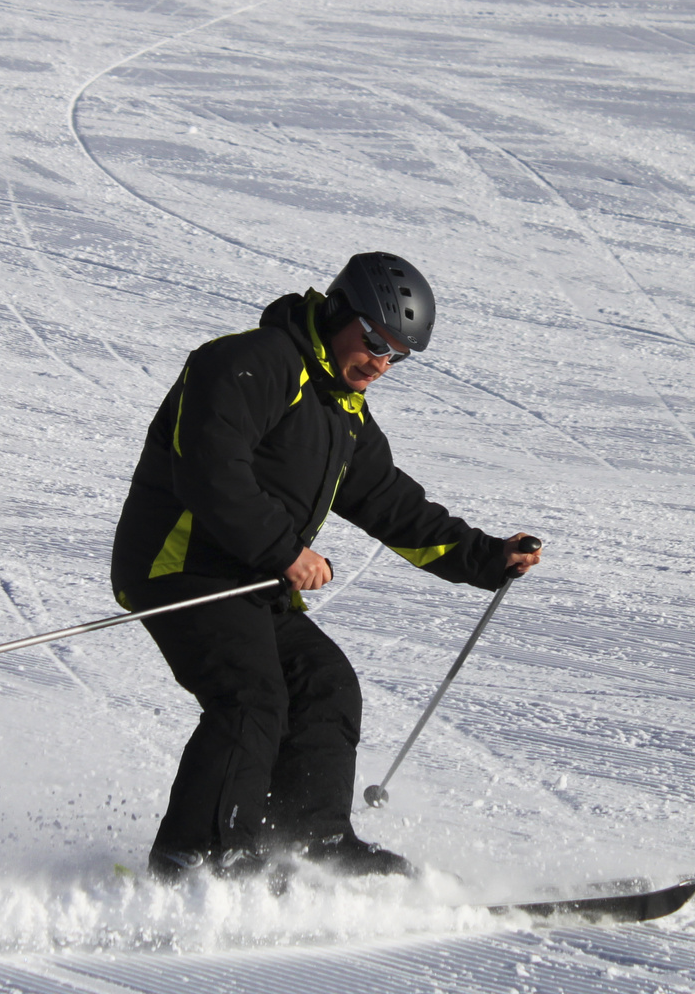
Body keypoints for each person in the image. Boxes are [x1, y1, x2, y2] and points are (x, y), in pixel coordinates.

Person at [109, 251, 542, 881]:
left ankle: (311, 844)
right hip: (182, 567)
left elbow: (392, 505)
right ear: (337, 310)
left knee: (324, 683)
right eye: (373, 341)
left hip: (251, 580)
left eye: (398, 355)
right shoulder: (249, 362)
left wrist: (487, 556)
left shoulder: (343, 411)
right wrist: (285, 551)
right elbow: (209, 469)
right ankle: (192, 862)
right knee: (251, 696)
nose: (381, 363)